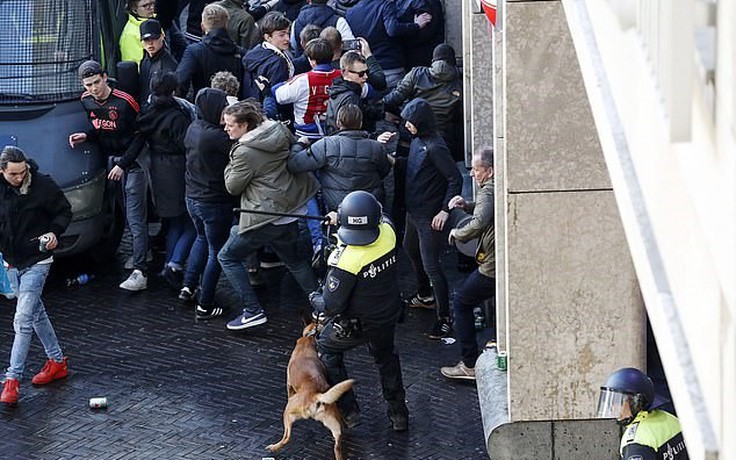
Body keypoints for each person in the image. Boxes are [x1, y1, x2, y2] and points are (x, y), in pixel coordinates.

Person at [310, 191, 409, 431]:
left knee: (327, 350)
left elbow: (332, 305)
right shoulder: (388, 233)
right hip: (387, 315)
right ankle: (399, 415)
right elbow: (380, 217)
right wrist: (344, 220)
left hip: (355, 325)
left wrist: (314, 298)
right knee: (386, 358)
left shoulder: (346, 260)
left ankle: (349, 411)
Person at [217, 100, 319, 329]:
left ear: (245, 126)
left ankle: (252, 310)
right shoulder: (279, 130)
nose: (226, 129)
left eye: (230, 125)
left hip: (265, 215)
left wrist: (229, 163)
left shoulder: (243, 152)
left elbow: (232, 186)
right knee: (294, 261)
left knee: (227, 257)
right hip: (290, 210)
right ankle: (323, 304)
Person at [0, 146, 72, 406]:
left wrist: (54, 232)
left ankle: (12, 380)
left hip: (38, 260)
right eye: (13, 175)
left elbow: (64, 211)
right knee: (35, 314)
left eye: (23, 172)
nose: (19, 178)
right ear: (2, 172)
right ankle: (57, 361)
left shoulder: (43, 185)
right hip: (11, 261)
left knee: (22, 319)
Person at [68, 61, 149, 291]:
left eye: (96, 82)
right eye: (88, 84)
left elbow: (140, 135)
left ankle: (141, 270)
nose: (94, 88)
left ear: (105, 77)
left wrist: (124, 163)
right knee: (122, 209)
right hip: (112, 162)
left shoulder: (125, 101)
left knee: (134, 215)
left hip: (132, 163)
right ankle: (142, 252)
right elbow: (103, 127)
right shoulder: (86, 101)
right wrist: (86, 135)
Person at [122, 72, 195, 290]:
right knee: (189, 222)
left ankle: (169, 264)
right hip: (177, 169)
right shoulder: (178, 115)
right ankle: (173, 264)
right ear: (174, 91)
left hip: (157, 169)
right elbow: (186, 145)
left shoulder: (148, 111)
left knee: (172, 220)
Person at [399, 97, 461, 339]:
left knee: (432, 265)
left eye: (411, 122)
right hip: (414, 212)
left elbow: (455, 178)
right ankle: (425, 295)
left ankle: (444, 317)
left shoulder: (435, 147)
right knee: (410, 249)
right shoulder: (419, 141)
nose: (407, 126)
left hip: (428, 215)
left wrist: (445, 210)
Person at [439, 148, 495, 380]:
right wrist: (467, 206)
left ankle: (469, 364)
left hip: (491, 264)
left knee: (461, 301)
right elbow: (485, 212)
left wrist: (458, 233)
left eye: (476, 169)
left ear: (489, 171)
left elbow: (481, 220)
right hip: (494, 260)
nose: (471, 173)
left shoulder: (488, 191)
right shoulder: (492, 188)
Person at [179, 88, 235, 315]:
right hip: (214, 201)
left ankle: (188, 286)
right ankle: (206, 304)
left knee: (201, 239)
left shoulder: (194, 128)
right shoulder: (217, 137)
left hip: (192, 197)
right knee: (217, 251)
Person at [288, 103, 393, 211]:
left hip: (338, 207)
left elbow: (294, 164)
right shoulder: (376, 147)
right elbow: (384, 171)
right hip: (369, 203)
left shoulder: (326, 145)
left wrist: (299, 144)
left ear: (338, 122)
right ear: (361, 123)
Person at [597, 368, 689, 459]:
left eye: (619, 401)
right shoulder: (670, 418)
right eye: (611, 401)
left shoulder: (636, 442)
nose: (613, 407)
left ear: (636, 402)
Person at [345, 0, 431, 89]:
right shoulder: (385, 5)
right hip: (391, 67)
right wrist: (416, 25)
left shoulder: (350, 13)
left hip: (367, 72)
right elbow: (392, 29)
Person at [274, 38, 341, 140]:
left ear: (312, 61)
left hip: (306, 137)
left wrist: (287, 82)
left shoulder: (302, 80)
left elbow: (278, 95)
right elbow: (368, 91)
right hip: (336, 134)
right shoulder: (343, 76)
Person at [177, 3, 244, 99]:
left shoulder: (194, 51)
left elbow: (181, 82)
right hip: (236, 109)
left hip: (203, 106)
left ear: (202, 26)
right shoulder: (241, 53)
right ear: (226, 25)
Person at [325, 51, 384, 135]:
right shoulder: (351, 97)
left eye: (366, 72)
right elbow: (353, 134)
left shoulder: (338, 90)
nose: (365, 77)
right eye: (361, 74)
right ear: (345, 72)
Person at [138, 19, 179, 104]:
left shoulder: (168, 66)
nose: (150, 43)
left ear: (162, 37)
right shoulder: (145, 59)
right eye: (146, 40)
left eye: (153, 38)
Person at [120, 0, 157, 65]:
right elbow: (135, 65)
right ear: (134, 10)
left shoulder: (154, 20)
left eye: (152, 3)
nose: (151, 7)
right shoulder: (130, 35)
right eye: (145, 6)